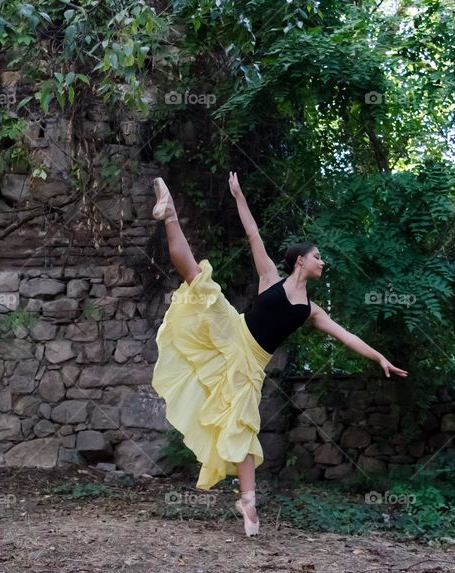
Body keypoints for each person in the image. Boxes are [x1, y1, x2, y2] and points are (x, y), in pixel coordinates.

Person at [150, 172, 408, 537]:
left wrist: (379, 357)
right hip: (232, 330)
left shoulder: (312, 310)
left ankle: (248, 503)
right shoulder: (271, 275)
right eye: (318, 257)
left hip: (251, 364)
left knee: (241, 427)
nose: (323, 262)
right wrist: (239, 195)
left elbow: (346, 336)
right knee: (196, 277)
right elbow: (253, 232)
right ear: (300, 261)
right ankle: (170, 212)